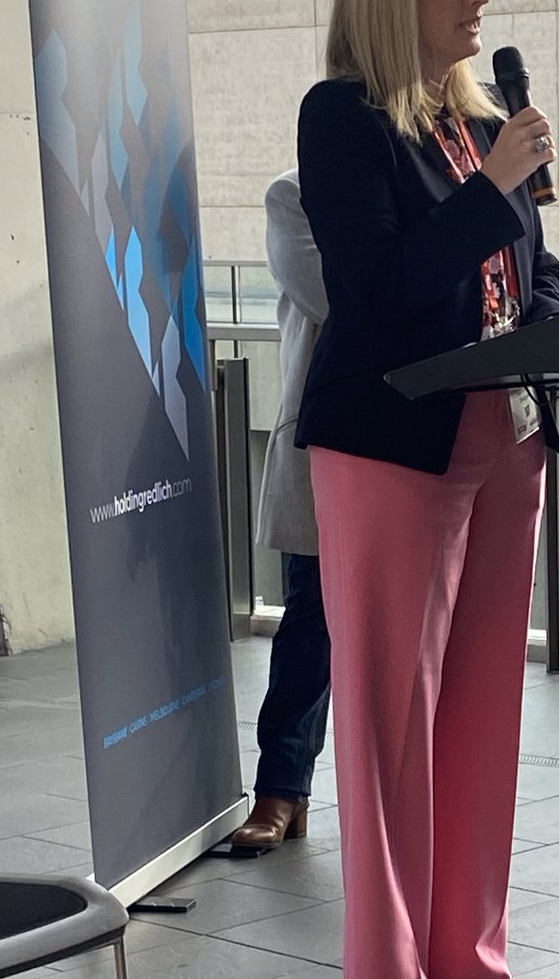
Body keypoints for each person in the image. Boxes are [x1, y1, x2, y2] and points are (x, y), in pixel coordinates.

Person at [294, 0, 559, 978]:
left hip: (505, 448)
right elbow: (379, 292)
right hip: (392, 455)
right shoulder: (344, 120)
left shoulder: (484, 127)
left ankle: (472, 958)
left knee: (482, 731)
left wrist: (541, 347)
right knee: (392, 749)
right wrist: (491, 194)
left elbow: (539, 278)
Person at [232, 169, 332, 851]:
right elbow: (333, 295)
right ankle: (281, 790)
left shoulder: (432, 178)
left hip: (423, 438)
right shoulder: (297, 194)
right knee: (310, 623)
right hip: (325, 438)